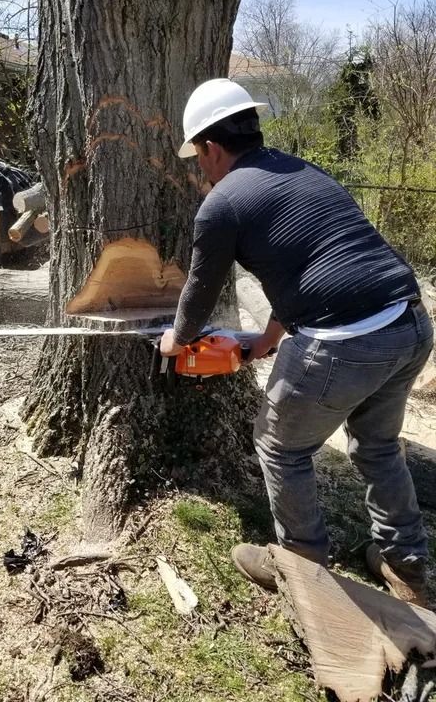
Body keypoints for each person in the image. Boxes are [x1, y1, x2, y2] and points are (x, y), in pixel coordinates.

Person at [160, 78, 433, 607]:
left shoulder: (223, 204)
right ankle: (407, 566)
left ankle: (302, 566)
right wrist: (269, 336)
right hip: (410, 322)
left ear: (211, 148)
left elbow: (200, 287)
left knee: (280, 446)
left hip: (347, 342)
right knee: (377, 447)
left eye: (198, 156)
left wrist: (180, 339)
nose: (201, 167)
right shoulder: (304, 172)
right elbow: (304, 266)